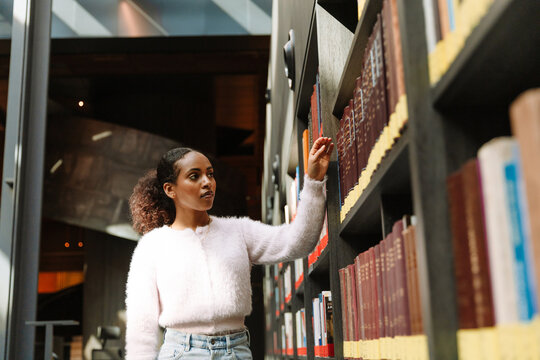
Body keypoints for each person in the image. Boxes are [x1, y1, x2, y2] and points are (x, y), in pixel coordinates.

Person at [125, 136, 334, 359]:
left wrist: (313, 180)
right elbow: (141, 325)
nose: (207, 182)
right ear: (170, 189)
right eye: (194, 176)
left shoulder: (239, 231)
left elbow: (298, 242)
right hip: (180, 352)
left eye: (210, 174)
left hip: (235, 351)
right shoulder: (152, 246)